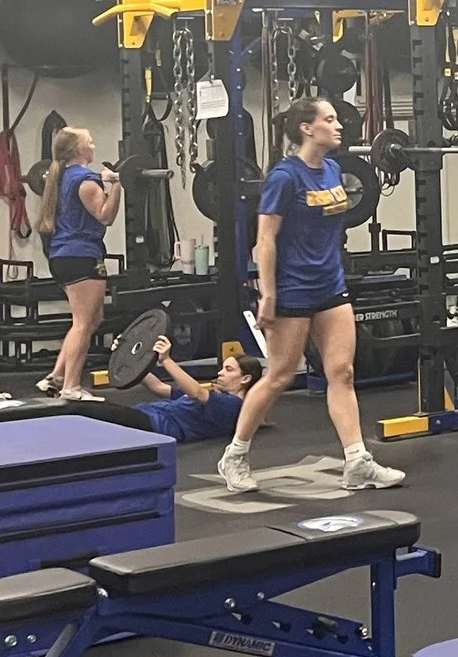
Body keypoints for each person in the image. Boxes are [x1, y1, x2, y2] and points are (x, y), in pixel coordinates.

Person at [218, 97, 405, 495]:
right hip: (293, 289)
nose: (339, 126)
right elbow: (265, 240)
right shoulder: (285, 177)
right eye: (330, 119)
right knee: (279, 376)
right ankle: (235, 455)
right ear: (307, 128)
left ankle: (357, 461)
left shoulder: (334, 170)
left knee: (343, 373)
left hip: (330, 285)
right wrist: (268, 294)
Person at [42, 126, 120, 403]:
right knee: (83, 324)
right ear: (78, 150)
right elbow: (105, 216)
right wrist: (117, 184)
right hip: (81, 256)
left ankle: (56, 377)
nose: (94, 146)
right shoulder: (86, 181)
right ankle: (71, 387)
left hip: (63, 256)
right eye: (90, 142)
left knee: (92, 320)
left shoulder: (63, 177)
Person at [135, 334, 258, 444]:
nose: (220, 373)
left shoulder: (233, 406)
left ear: (245, 379)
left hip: (156, 425)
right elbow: (158, 387)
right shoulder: (213, 395)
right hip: (145, 414)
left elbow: (197, 393)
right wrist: (134, 365)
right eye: (223, 368)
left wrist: (166, 360)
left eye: (228, 369)